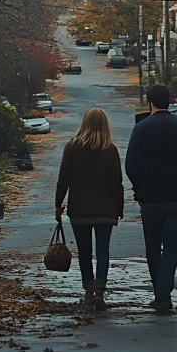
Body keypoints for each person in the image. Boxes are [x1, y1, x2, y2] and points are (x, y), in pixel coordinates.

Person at [125, 84, 177, 312]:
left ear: (150, 102)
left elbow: (130, 164)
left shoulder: (141, 129)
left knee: (153, 247)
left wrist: (139, 187)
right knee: (171, 248)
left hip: (150, 199)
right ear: (168, 102)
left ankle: (160, 293)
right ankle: (164, 293)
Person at [55, 107, 124, 311]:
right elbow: (116, 183)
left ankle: (88, 292)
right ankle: (101, 291)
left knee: (84, 252)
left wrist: (58, 204)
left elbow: (63, 179)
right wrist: (118, 207)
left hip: (80, 210)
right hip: (105, 211)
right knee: (103, 251)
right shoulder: (110, 149)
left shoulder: (72, 147)